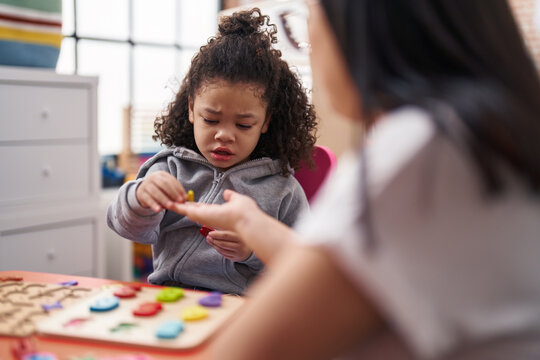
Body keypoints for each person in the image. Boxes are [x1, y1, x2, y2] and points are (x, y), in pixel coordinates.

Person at [172, 0, 540, 358]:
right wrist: (247, 220)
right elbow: (343, 271)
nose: (311, 43)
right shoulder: (485, 134)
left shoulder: (419, 149)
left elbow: (247, 350)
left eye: (308, 20)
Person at [107, 8, 317, 295]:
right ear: (192, 108)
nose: (224, 135)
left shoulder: (282, 189)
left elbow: (301, 266)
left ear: (266, 121)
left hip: (241, 308)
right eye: (211, 120)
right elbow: (130, 229)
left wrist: (253, 250)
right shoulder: (170, 169)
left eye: (244, 124)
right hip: (170, 295)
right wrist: (140, 197)